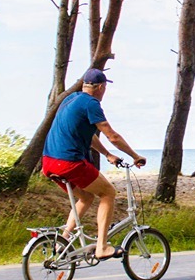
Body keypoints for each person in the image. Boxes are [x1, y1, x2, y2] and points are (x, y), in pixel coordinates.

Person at [42, 68, 147, 260]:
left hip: (49, 162)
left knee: (86, 198)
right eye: (105, 87)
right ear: (100, 87)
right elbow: (113, 136)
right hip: (69, 162)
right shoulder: (91, 104)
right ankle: (102, 247)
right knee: (108, 192)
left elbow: (87, 135)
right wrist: (134, 155)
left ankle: (63, 241)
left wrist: (107, 154)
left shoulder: (71, 99)